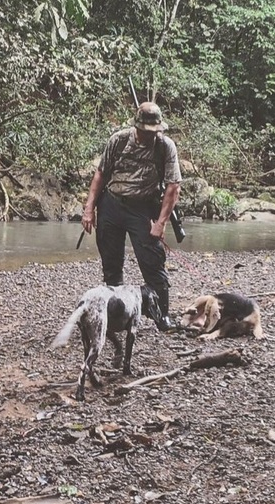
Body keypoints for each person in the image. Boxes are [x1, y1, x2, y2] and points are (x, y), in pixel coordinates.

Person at [81, 101, 182, 331]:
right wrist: (89, 209)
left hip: (143, 208)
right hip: (112, 205)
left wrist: (160, 223)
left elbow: (173, 187)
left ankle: (162, 314)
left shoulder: (165, 147)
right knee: (111, 262)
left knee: (153, 262)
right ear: (136, 126)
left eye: (154, 131)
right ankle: (117, 313)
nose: (149, 136)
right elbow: (100, 174)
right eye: (145, 131)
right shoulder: (118, 140)